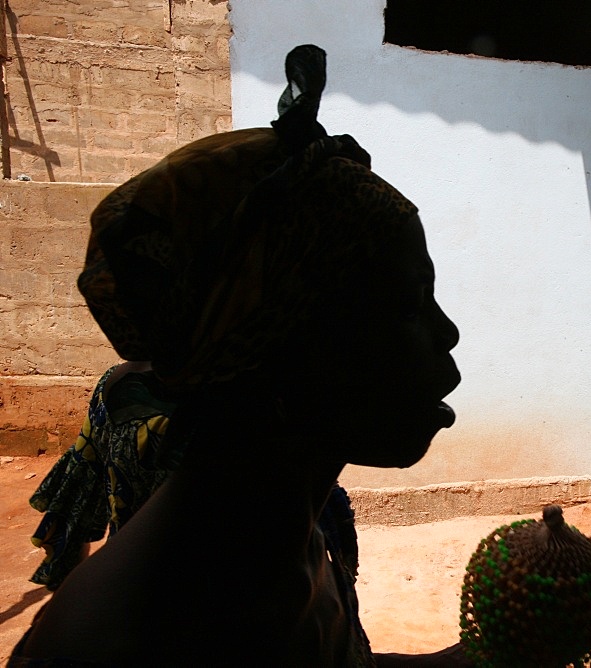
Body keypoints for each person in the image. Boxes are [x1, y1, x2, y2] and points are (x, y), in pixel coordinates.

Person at [10, 44, 468, 666]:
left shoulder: (274, 544)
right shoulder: (130, 643)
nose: (449, 333)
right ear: (281, 352)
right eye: (411, 304)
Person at [27, 361, 168, 590]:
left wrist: (66, 589)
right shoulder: (227, 401)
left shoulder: (117, 382)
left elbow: (79, 494)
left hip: (127, 579)